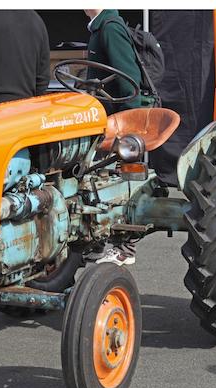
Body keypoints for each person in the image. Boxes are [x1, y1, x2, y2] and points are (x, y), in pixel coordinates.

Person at [84, 9, 144, 266]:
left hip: (116, 123)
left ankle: (124, 249)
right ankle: (94, 240)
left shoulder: (109, 27)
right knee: (93, 181)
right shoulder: (99, 27)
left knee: (122, 183)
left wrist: (127, 128)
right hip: (100, 119)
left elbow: (129, 80)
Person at [84, 9, 142, 114]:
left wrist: (129, 117)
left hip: (114, 117)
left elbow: (129, 76)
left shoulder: (111, 29)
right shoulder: (99, 28)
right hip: (100, 112)